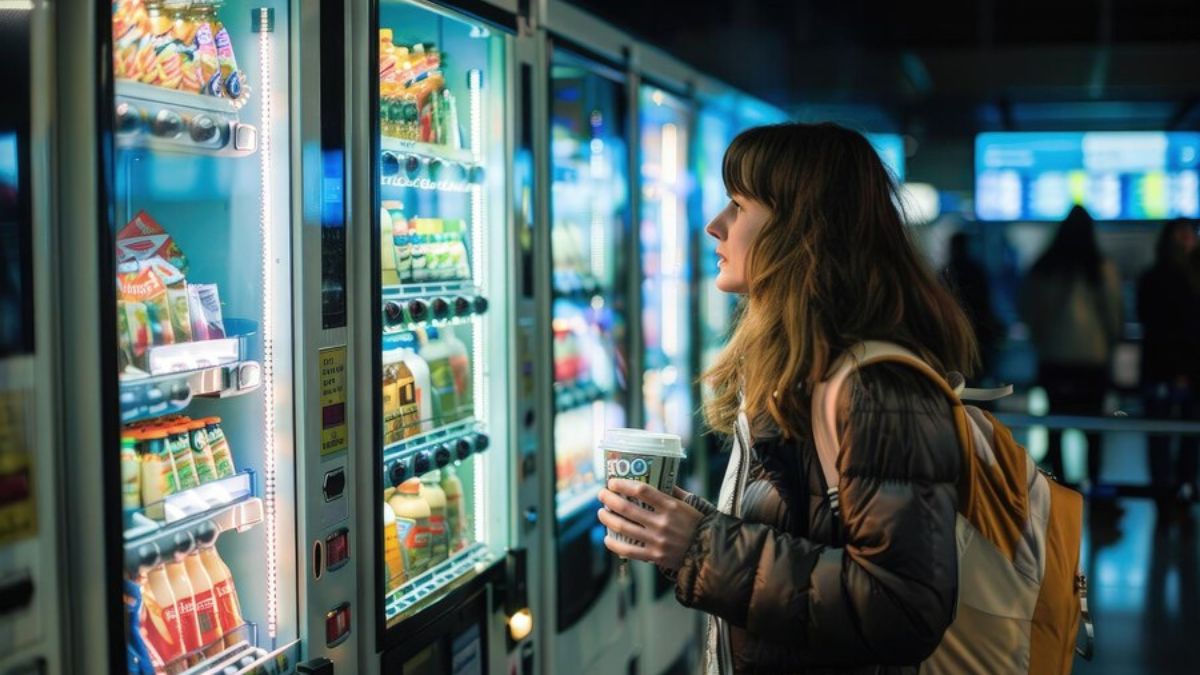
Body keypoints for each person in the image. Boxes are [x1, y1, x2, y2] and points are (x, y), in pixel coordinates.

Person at [598, 123, 975, 673]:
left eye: (738, 206)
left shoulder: (878, 391)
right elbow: (806, 533)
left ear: (800, 230)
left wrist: (700, 545)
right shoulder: (805, 370)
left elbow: (903, 609)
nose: (714, 226)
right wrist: (684, 522)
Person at [1018, 205, 1121, 489]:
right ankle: (1095, 486)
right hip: (1092, 358)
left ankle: (1061, 491)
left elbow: (1029, 311)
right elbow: (1113, 314)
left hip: (1054, 358)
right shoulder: (1100, 267)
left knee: (1057, 426)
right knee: (1093, 429)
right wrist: (1112, 342)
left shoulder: (1044, 267)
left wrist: (1040, 340)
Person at [1137, 218, 1199, 526]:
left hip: (1160, 368)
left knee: (1161, 438)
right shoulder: (1189, 279)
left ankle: (1165, 499)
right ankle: (1181, 496)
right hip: (1181, 369)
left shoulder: (1152, 277)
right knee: (1186, 438)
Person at [942, 231, 1003, 381]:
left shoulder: (946, 273)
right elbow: (987, 303)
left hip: (953, 333)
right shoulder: (976, 272)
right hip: (978, 331)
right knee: (978, 376)